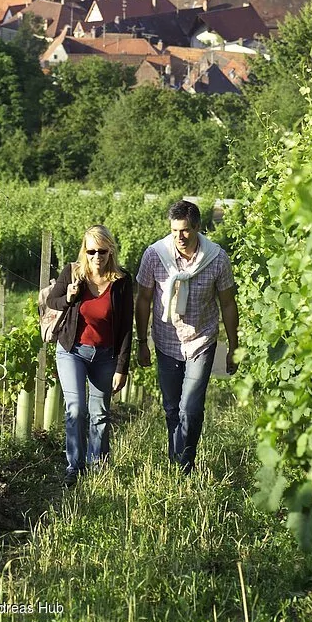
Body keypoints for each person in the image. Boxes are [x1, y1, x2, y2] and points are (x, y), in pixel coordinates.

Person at [135, 199, 238, 474]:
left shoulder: (216, 259)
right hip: (166, 341)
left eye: (185, 231)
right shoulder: (155, 255)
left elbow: (228, 303)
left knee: (190, 407)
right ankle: (176, 458)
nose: (179, 237)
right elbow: (144, 299)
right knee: (171, 407)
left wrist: (233, 347)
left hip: (201, 340)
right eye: (174, 231)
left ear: (197, 228)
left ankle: (186, 463)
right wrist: (142, 342)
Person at [45, 225, 133, 486]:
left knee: (101, 413)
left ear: (110, 251)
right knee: (76, 409)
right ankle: (75, 467)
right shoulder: (74, 274)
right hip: (72, 351)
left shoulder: (122, 281)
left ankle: (98, 466)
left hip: (105, 355)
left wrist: (122, 366)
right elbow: (53, 301)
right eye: (92, 251)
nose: (97, 256)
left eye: (102, 251)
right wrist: (69, 298)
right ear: (85, 251)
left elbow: (126, 325)